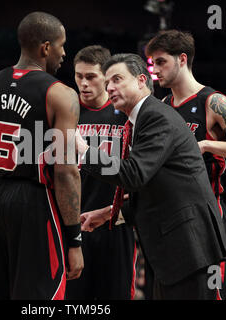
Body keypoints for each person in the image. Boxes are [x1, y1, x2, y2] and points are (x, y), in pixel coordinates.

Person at [77, 53, 226, 300]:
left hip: (189, 248)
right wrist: (108, 213)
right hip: (175, 250)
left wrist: (84, 151)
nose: (110, 87)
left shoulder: (155, 116)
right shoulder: (141, 119)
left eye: (117, 79)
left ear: (140, 81)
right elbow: (155, 190)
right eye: (107, 83)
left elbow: (134, 175)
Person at [0, 11, 84, 299]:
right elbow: (66, 171)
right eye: (61, 45)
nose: (64, 52)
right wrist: (74, 239)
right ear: (45, 47)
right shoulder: (61, 94)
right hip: (36, 203)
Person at [144, 29, 226, 299]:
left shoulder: (213, 102)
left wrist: (206, 145)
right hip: (168, 219)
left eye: (161, 61)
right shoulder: (161, 107)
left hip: (206, 215)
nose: (155, 70)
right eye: (152, 64)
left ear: (182, 59)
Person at [66, 45, 137, 300]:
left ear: (105, 77)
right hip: (73, 225)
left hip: (114, 223)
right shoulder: (65, 112)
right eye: (78, 76)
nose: (83, 83)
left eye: (91, 77)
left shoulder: (127, 115)